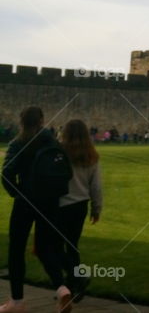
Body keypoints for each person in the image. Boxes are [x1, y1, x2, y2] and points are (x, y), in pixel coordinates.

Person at [0, 107, 73, 313]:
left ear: (21, 121)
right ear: (42, 120)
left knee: (16, 249)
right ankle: (62, 288)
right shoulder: (53, 142)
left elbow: (6, 173)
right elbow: (65, 173)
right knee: (44, 247)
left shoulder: (18, 143)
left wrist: (17, 193)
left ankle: (17, 301)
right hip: (50, 202)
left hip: (25, 202)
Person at [57, 120, 102, 303]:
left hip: (60, 204)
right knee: (72, 246)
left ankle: (76, 280)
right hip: (80, 205)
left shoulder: (59, 152)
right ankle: (74, 285)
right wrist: (96, 208)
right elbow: (96, 186)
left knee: (52, 247)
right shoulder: (91, 155)